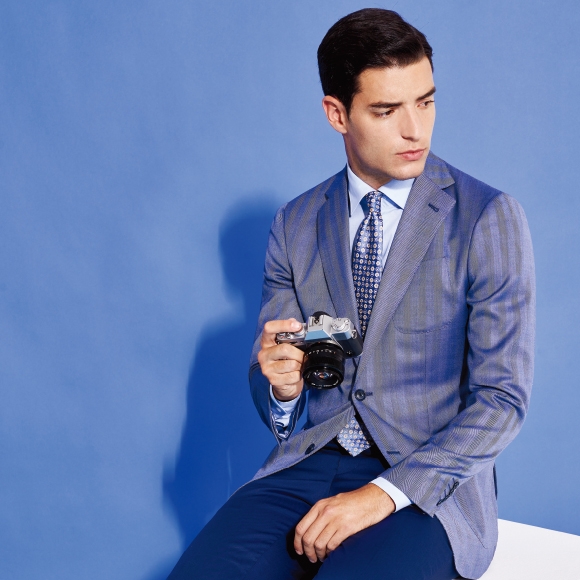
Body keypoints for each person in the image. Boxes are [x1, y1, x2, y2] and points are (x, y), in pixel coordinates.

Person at [168, 8, 535, 580]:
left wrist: (382, 494)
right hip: (307, 464)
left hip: (424, 483)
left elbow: (502, 399)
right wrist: (281, 387)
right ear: (337, 113)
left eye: (426, 102)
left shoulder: (487, 216)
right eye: (387, 111)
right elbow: (283, 397)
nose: (415, 130)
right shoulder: (295, 223)